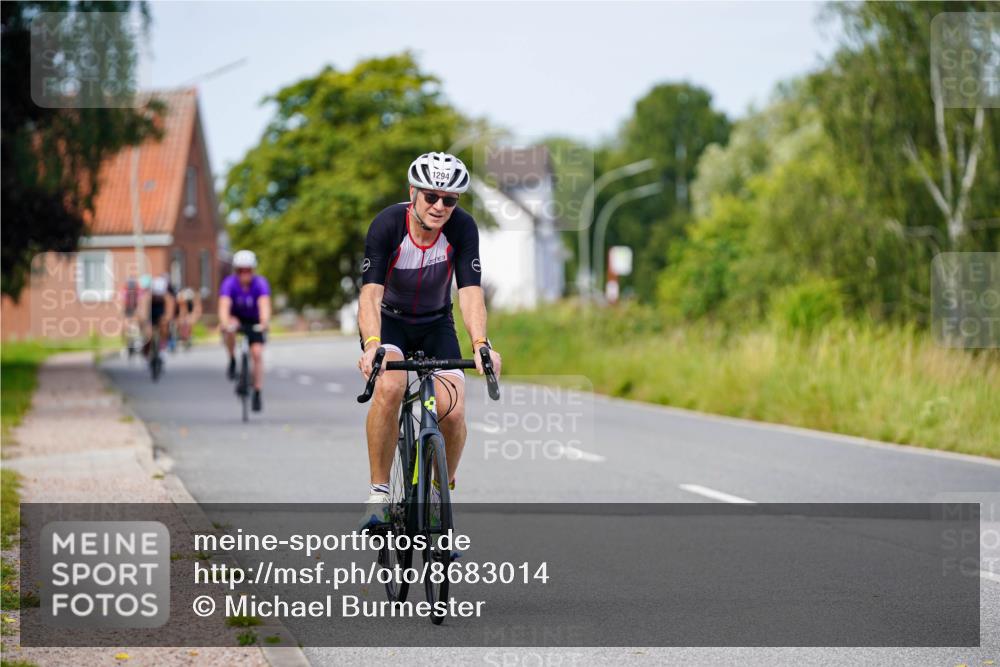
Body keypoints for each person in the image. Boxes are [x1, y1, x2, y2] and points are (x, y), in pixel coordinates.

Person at [357, 151, 502, 528]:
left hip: (437, 325)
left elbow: (470, 292)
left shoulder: (462, 229)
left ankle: (439, 496)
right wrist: (372, 344)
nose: (440, 206)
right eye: (431, 197)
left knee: (452, 412)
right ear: (413, 193)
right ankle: (378, 494)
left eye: (450, 200)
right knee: (390, 387)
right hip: (390, 324)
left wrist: (481, 344)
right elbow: (370, 294)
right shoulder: (388, 224)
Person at [218, 250, 271, 412]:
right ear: (236, 271)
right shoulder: (229, 284)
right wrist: (224, 323)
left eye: (248, 270)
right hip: (237, 318)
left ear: (253, 270)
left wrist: (264, 323)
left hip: (254, 320)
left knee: (257, 353)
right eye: (241, 270)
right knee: (230, 328)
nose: (244, 274)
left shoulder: (260, 283)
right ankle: (233, 358)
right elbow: (224, 307)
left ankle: (257, 391)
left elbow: (264, 306)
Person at [141, 275, 174, 361]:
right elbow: (144, 311)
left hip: (161, 311)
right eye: (156, 294)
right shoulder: (148, 296)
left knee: (164, 327)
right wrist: (146, 322)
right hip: (150, 312)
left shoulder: (167, 297)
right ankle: (146, 351)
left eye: (160, 295)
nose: (158, 296)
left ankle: (162, 346)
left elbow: (169, 310)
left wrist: (166, 318)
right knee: (148, 334)